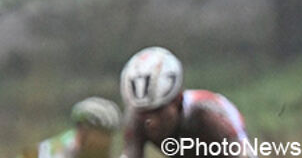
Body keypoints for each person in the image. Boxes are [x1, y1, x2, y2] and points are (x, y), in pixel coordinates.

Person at [118, 46, 252, 158]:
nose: (152, 122)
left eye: (159, 111)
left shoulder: (206, 115)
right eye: (144, 113)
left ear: (178, 100)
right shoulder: (136, 119)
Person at [20, 97, 122, 158]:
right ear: (82, 131)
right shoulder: (48, 152)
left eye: (110, 135)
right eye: (102, 134)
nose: (107, 142)